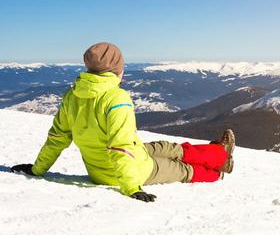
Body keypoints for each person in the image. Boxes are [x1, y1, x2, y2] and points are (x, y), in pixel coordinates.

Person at [11, 42, 235, 202]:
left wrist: (38, 169)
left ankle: (219, 152)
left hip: (100, 170)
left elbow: (57, 139)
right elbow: (120, 145)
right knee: (181, 169)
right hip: (130, 171)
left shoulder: (72, 96)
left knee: (167, 147)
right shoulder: (116, 97)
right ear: (116, 69)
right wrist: (131, 187)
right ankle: (219, 169)